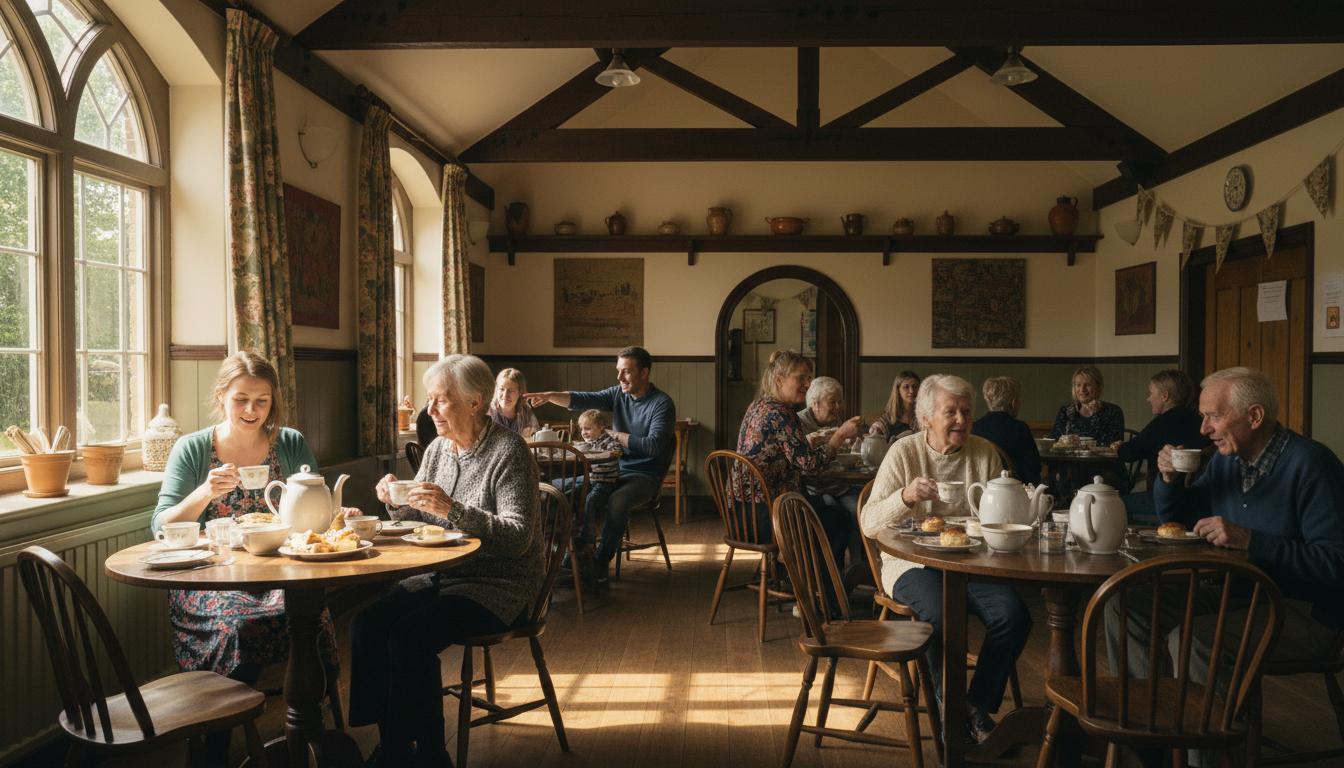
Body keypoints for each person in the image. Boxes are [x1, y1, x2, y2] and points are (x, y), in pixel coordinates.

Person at [1107, 366, 1344, 766]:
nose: (1203, 429)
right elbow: (1182, 520)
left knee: (1196, 639)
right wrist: (1167, 479)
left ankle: (1208, 759)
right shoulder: (1226, 461)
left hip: (1305, 614)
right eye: (1203, 416)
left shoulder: (1312, 465)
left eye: (1213, 416)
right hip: (1237, 596)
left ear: (1254, 417)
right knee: (1125, 606)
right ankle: (1154, 744)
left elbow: (1336, 564)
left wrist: (1252, 541)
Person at [348, 354, 541, 767]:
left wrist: (452, 509)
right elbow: (419, 513)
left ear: (474, 403)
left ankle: (430, 754)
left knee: (409, 635)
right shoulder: (438, 448)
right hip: (443, 576)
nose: (429, 410)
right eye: (429, 400)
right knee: (368, 624)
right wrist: (394, 500)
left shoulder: (510, 453)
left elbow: (518, 538)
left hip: (498, 585)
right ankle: (394, 743)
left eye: (440, 400)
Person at [153, 351, 339, 765]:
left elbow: (314, 512)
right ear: (222, 396)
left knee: (307, 618)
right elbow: (160, 526)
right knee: (237, 628)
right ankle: (217, 745)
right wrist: (205, 492)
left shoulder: (289, 443)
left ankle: (308, 735)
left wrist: (336, 512)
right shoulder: (193, 449)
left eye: (262, 401)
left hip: (279, 576)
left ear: (273, 402)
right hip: (210, 580)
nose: (252, 410)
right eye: (241, 400)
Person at [860, 374, 1033, 745]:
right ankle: (949, 713)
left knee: (1014, 615)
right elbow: (869, 521)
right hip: (910, 564)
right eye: (950, 411)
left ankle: (974, 706)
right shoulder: (904, 452)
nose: (960, 420)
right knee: (939, 615)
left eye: (966, 412)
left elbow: (997, 518)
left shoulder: (984, 453)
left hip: (971, 562)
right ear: (926, 418)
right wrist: (905, 496)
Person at [525, 346, 675, 581]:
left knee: (617, 501)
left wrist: (615, 435)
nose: (619, 378)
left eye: (626, 372)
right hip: (613, 470)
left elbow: (654, 446)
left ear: (644, 373)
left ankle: (599, 563)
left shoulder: (661, 404)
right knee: (556, 488)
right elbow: (583, 399)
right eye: (618, 371)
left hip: (645, 475)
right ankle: (567, 556)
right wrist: (550, 395)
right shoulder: (618, 394)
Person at [734, 350, 863, 567]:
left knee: (825, 506)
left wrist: (808, 443)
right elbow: (811, 466)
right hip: (767, 516)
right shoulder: (782, 414)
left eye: (809, 377)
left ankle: (792, 575)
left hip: (741, 513)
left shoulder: (758, 405)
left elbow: (777, 450)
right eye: (801, 377)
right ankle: (820, 590)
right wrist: (840, 435)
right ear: (779, 380)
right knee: (838, 519)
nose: (807, 383)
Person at [1111, 369, 1209, 517]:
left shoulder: (1163, 423)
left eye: (1151, 393)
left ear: (1164, 396)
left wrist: (1118, 447)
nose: (1148, 399)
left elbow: (1129, 453)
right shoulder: (1199, 420)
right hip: (1200, 496)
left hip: (1168, 497)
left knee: (1110, 503)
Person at [570, 408, 623, 578]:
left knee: (591, 501)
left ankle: (587, 538)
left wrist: (606, 452)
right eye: (582, 429)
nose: (584, 433)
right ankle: (570, 537)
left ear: (601, 427)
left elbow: (617, 450)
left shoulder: (607, 441)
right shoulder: (589, 443)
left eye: (588, 428)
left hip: (606, 482)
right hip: (592, 480)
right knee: (566, 490)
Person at [971, 376, 1041, 484]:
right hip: (1012, 491)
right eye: (1019, 399)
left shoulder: (973, 428)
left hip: (980, 488)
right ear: (1013, 403)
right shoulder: (1020, 428)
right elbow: (1034, 469)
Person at [1047, 365, 1125, 443]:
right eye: (1078, 385)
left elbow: (1113, 444)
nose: (1082, 389)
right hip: (1069, 455)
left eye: (1088, 385)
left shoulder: (1113, 411)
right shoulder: (1065, 411)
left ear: (1098, 387)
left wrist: (1096, 415)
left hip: (1101, 455)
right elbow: (1054, 439)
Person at [488, 367, 539, 438]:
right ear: (496, 389)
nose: (505, 395)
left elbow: (533, 439)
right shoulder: (488, 411)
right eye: (501, 389)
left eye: (511, 391)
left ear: (520, 392)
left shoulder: (525, 411)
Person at [870, 370, 920, 441]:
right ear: (898, 390)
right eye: (906, 387)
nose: (911, 391)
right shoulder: (887, 419)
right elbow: (874, 436)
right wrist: (875, 430)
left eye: (915, 387)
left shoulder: (923, 417)